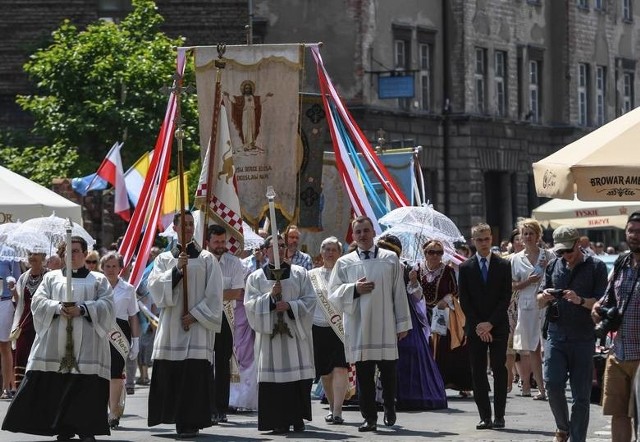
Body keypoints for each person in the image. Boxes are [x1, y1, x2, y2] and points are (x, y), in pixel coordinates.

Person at [2, 236, 114, 442]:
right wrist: (58, 307)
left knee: (85, 386)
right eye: (67, 252)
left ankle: (86, 429)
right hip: (55, 344)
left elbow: (107, 306)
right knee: (59, 385)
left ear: (85, 253)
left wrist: (82, 309)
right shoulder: (52, 278)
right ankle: (63, 427)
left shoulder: (98, 280)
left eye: (76, 251)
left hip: (88, 345)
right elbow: (38, 302)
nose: (71, 255)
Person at [328, 216, 412, 432]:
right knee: (364, 374)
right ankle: (369, 417)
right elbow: (333, 294)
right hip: (359, 325)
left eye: (366, 231)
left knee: (388, 372)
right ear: (353, 236)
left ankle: (389, 405)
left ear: (374, 232)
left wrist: (402, 324)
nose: (363, 235)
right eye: (358, 232)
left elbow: (399, 293)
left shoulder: (390, 258)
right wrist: (354, 289)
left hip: (385, 324)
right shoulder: (344, 262)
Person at [147, 211, 224, 438]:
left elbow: (215, 295)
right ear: (175, 227)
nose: (189, 228)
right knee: (174, 374)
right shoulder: (163, 259)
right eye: (185, 224)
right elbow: (155, 290)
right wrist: (176, 271)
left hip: (196, 327)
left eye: (192, 224)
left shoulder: (207, 259)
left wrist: (196, 314)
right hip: (171, 326)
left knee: (193, 375)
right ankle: (174, 417)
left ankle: (192, 421)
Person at [538, 225, 607, 442]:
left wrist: (580, 300)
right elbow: (539, 300)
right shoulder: (553, 266)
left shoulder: (596, 267)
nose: (565, 255)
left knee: (581, 397)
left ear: (578, 244)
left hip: (583, 338)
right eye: (560, 251)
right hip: (556, 335)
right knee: (552, 383)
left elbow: (602, 303)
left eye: (568, 250)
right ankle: (562, 427)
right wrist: (546, 296)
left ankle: (578, 438)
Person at [244, 234, 316, 434]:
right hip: (269, 337)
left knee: (296, 376)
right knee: (273, 380)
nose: (280, 249)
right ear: (265, 250)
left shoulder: (300, 273)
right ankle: (276, 420)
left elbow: (310, 301)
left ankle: (297, 418)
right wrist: (270, 299)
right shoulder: (256, 277)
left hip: (294, 334)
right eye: (274, 246)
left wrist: (290, 306)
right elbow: (249, 305)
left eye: (282, 245)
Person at [592, 211, 640, 442]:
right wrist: (598, 308)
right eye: (631, 231)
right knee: (618, 414)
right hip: (618, 353)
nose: (635, 236)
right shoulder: (621, 263)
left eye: (639, 232)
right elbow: (608, 298)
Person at [384, 236, 447, 410]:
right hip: (382, 315)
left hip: (405, 315)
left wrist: (412, 281)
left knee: (409, 351)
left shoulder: (407, 268)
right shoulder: (377, 266)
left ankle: (407, 393)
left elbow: (418, 296)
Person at [458, 223, 511, 430]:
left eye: (487, 239)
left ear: (492, 239)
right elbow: (465, 300)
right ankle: (484, 417)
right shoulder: (466, 267)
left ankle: (499, 416)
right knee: (478, 372)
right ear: (473, 241)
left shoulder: (503, 265)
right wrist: (480, 325)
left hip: (497, 325)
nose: (483, 243)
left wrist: (490, 323)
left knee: (499, 369)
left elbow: (505, 297)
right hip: (475, 327)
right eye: (479, 240)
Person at [412, 239, 472, 397]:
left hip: (442, 313)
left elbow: (455, 291)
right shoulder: (417, 269)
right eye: (431, 252)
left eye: (439, 252)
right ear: (425, 253)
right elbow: (411, 291)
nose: (435, 256)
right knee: (423, 347)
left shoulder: (448, 271)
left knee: (445, 349)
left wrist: (444, 301)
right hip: (421, 313)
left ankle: (448, 383)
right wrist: (412, 280)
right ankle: (426, 383)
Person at [206, 224, 246, 424]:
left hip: (225, 318)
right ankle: (207, 406)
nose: (221, 245)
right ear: (208, 242)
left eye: (223, 242)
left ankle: (221, 408)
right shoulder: (202, 262)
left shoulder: (234, 262)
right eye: (217, 242)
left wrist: (211, 296)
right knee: (205, 363)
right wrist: (219, 295)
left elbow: (236, 292)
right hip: (203, 317)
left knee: (222, 363)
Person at [511, 219, 554, 400]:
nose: (528, 237)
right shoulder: (515, 259)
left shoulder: (548, 256)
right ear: (521, 236)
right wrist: (529, 281)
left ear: (538, 235)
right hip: (527, 305)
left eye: (531, 233)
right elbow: (512, 285)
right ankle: (536, 387)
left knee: (547, 345)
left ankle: (547, 386)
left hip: (546, 304)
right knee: (532, 348)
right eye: (525, 233)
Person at [309, 236, 350, 424]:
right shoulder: (312, 275)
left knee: (340, 368)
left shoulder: (346, 274)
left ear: (340, 253)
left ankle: (338, 412)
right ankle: (332, 407)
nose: (330, 252)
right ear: (321, 252)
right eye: (326, 249)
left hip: (341, 328)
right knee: (325, 372)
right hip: (318, 328)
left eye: (334, 249)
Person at [101, 252, 140, 429]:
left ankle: (114, 412)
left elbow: (133, 316)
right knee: (100, 372)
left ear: (120, 268)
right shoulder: (96, 287)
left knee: (115, 373)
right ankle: (99, 411)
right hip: (100, 331)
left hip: (120, 332)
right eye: (107, 266)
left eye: (114, 266)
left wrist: (136, 341)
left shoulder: (128, 289)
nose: (110, 270)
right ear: (102, 267)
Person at [11, 251, 48, 390]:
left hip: (43, 325)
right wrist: (14, 292)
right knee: (21, 357)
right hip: (25, 324)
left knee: (38, 360)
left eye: (36, 254)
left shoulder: (49, 277)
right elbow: (19, 301)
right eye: (30, 254)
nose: (32, 257)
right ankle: (21, 393)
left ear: (43, 257)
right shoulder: (23, 277)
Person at [0, 255, 20, 398]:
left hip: (5, 301)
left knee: (4, 345)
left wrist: (12, 285)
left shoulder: (9, 253)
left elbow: (18, 279)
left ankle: (6, 387)